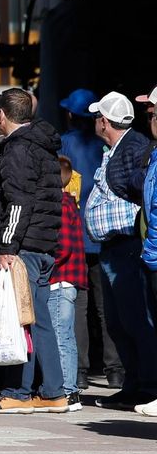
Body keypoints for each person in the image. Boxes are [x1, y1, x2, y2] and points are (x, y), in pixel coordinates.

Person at [0, 88, 67, 414]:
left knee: (20, 320)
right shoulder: (43, 146)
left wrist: (7, 247)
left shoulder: (17, 150)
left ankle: (19, 391)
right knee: (40, 320)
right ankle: (54, 391)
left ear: (1, 115)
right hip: (42, 245)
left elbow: (18, 203)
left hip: (23, 248)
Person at [82, 90, 157, 410]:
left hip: (128, 248)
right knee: (117, 323)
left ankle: (146, 386)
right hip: (112, 248)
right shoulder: (113, 150)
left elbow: (142, 185)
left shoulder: (134, 146)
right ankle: (133, 384)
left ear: (103, 121)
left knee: (135, 321)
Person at [57, 88, 118, 391]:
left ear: (70, 114)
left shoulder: (63, 144)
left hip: (72, 238)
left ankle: (79, 369)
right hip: (102, 236)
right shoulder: (106, 147)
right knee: (106, 305)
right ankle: (115, 368)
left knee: (76, 306)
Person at [55, 156, 88, 411]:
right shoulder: (71, 203)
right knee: (65, 335)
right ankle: (70, 388)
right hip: (70, 279)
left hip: (60, 280)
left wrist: (44, 262)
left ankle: (68, 390)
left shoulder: (60, 206)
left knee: (61, 335)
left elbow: (62, 247)